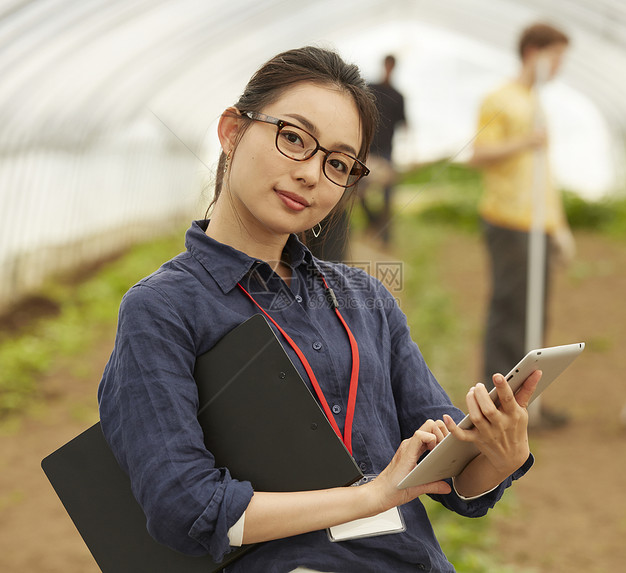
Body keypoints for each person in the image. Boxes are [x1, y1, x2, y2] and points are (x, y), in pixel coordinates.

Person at [98, 46, 539, 572]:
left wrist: (498, 455)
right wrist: (370, 496)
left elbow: (445, 474)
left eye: (336, 163)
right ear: (232, 132)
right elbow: (184, 508)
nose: (310, 173)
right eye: (293, 138)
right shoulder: (165, 308)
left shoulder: (364, 299)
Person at [468, 22, 574, 428]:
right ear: (534, 51)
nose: (561, 64)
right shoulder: (502, 99)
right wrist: (526, 141)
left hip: (538, 224)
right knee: (510, 312)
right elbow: (480, 152)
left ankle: (528, 405)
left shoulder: (537, 103)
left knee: (535, 316)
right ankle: (494, 410)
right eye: (557, 54)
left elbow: (544, 175)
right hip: (509, 221)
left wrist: (558, 225)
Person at [358, 54, 406, 246]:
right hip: (368, 149)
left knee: (387, 194)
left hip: (387, 150)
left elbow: (403, 122)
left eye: (391, 66)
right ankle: (372, 221)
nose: (388, 69)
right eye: (387, 65)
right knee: (359, 190)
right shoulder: (371, 89)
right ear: (384, 65)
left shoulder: (398, 96)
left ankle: (385, 236)